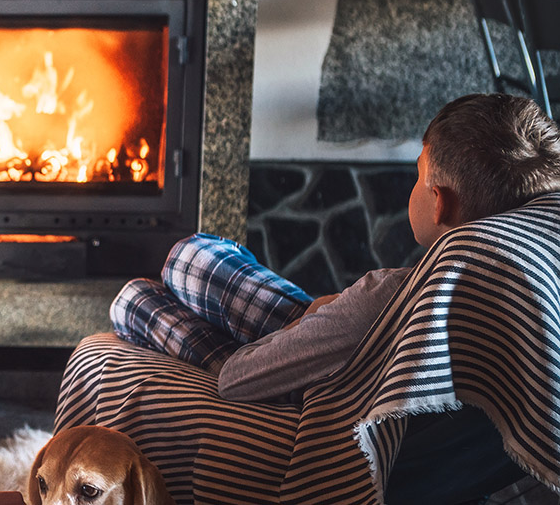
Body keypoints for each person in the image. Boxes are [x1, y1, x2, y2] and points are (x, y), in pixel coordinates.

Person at [109, 92, 560, 502]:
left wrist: (313, 321)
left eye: (417, 175)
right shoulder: (534, 288)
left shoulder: (388, 297)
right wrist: (327, 311)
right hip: (361, 350)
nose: (414, 186)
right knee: (187, 263)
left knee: (141, 294)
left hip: (321, 378)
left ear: (439, 202)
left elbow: (236, 379)